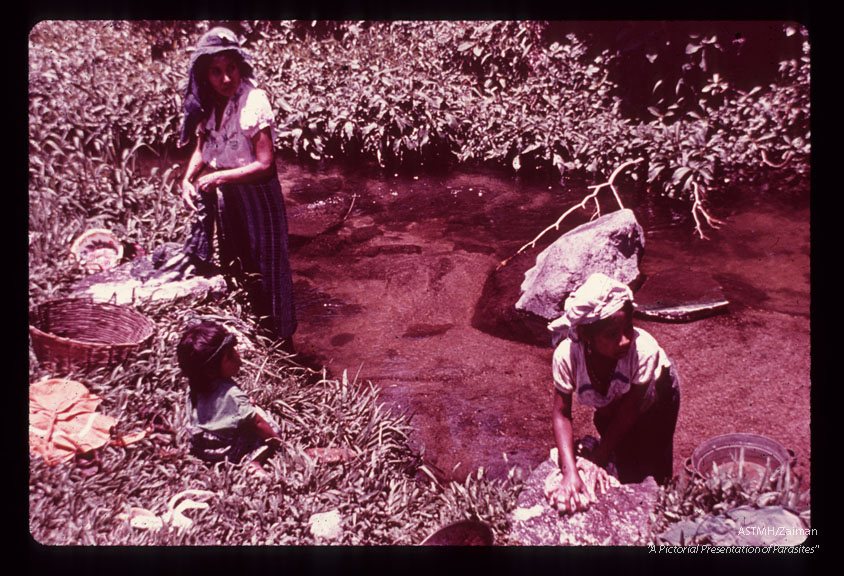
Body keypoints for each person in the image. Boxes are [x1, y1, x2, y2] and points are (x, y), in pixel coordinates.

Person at [177, 26, 297, 352]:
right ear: (206, 74)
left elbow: (265, 164)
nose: (225, 78)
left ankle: (282, 345)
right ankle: (254, 340)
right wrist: (188, 179)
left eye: (230, 68)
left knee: (269, 269)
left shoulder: (253, 100)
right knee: (238, 264)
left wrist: (218, 179)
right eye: (216, 71)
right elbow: (202, 149)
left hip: (258, 197)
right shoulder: (207, 103)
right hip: (230, 197)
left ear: (239, 66)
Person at [547, 273, 680, 513]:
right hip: (615, 400)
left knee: (653, 459)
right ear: (587, 335)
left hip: (656, 397)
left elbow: (630, 410)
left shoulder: (644, 350)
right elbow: (561, 414)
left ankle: (662, 505)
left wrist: (597, 457)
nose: (625, 340)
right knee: (624, 458)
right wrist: (570, 471)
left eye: (628, 327)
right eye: (611, 334)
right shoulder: (567, 355)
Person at [177, 320, 283, 474]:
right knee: (271, 426)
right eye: (229, 356)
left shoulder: (195, 385)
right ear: (211, 370)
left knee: (246, 411)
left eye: (233, 350)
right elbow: (257, 423)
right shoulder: (232, 394)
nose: (237, 355)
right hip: (224, 452)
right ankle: (253, 462)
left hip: (201, 446)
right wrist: (278, 443)